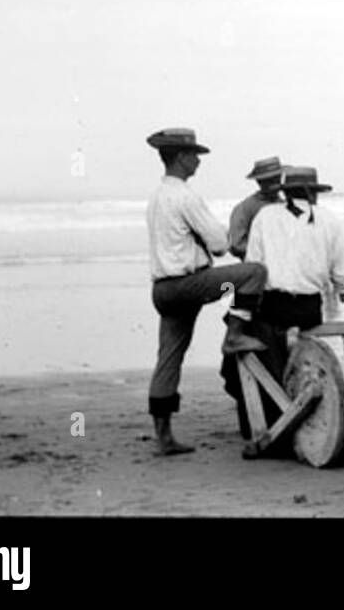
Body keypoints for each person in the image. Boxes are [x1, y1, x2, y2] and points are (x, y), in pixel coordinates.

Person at [225, 165, 344, 447]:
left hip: (272, 306)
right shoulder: (329, 220)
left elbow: (252, 268)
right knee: (261, 328)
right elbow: (341, 271)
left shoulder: (265, 216)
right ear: (313, 193)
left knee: (243, 328)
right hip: (308, 310)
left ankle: (264, 417)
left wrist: (240, 311)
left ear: (285, 191)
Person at [145, 127, 268, 455]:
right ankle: (235, 334)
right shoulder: (185, 196)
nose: (198, 161)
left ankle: (164, 437)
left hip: (164, 290)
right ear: (182, 158)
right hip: (192, 286)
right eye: (194, 155)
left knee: (169, 357)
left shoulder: (157, 196)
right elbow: (219, 244)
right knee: (252, 275)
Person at [228, 157, 285, 258]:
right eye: (269, 180)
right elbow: (236, 245)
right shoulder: (244, 209)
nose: (275, 184)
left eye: (277, 178)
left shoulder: (286, 206)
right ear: (259, 181)